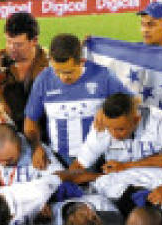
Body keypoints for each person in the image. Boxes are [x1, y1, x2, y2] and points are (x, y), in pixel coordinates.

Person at [23, 33, 124, 168]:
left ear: (81, 61)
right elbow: (30, 120)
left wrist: (108, 111)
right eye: (57, 71)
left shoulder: (103, 76)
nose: (62, 77)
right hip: (59, 159)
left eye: (69, 72)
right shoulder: (43, 80)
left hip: (100, 158)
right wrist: (36, 147)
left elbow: (131, 103)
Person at [0, 11, 49, 128]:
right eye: (8, 42)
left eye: (18, 44)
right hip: (4, 134)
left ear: (34, 41)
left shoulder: (49, 65)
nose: (11, 48)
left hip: (41, 133)